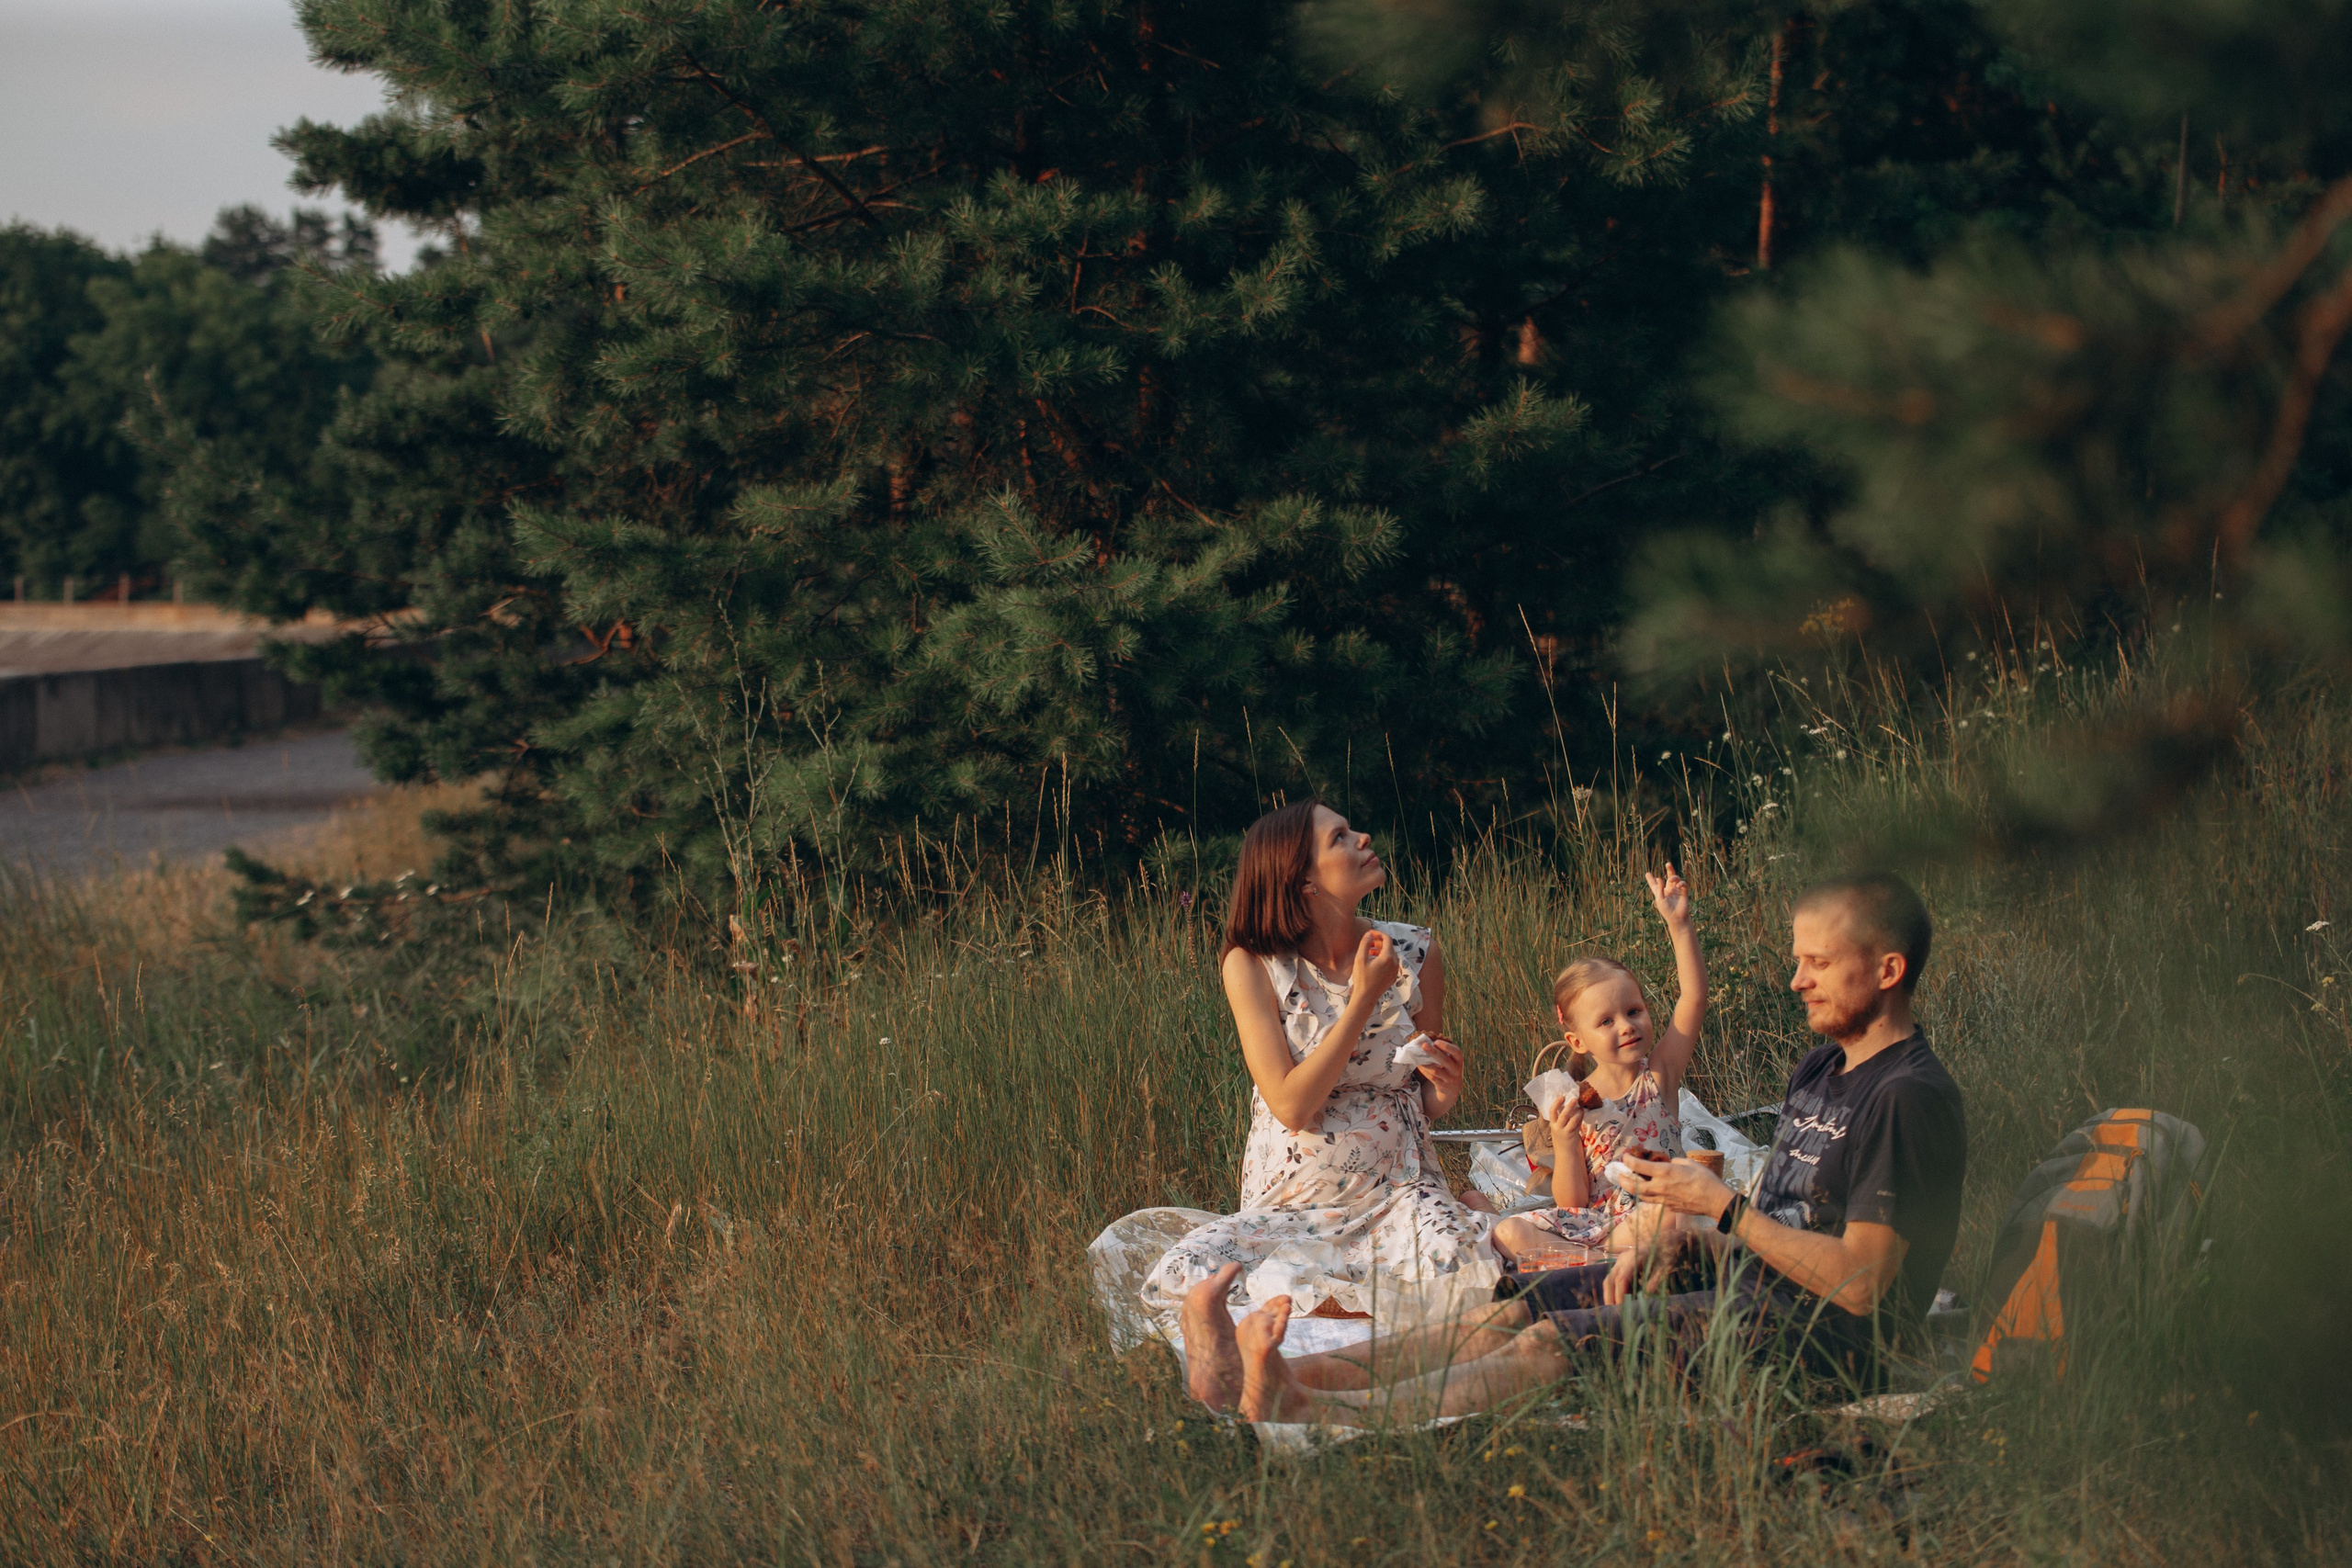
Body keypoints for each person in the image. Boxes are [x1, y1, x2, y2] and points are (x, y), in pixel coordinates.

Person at [1184, 870, 1968, 1426]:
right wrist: (1680, 1246)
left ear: (1889, 969)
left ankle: (1313, 1408)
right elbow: (1787, 1212)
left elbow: (1863, 1285)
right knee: (1517, 1308)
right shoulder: (1825, 1063)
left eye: (1819, 963)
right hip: (1754, 1278)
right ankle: (1274, 1376)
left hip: (1823, 1338)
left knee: (1553, 1343)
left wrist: (1721, 1210)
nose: (1796, 979)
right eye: (1798, 959)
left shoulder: (1907, 1098)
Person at [1141, 800, 1500, 1407]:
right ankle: (1230, 1353)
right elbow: (1290, 1104)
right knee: (1194, 1263)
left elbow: (1424, 1096)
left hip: (1399, 1190)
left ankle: (1296, 1370)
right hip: (1297, 1199)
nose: (1363, 837)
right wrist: (1362, 999)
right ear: (1304, 881)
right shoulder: (1253, 964)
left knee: (1462, 1261)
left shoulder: (1416, 952)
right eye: (1340, 837)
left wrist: (1446, 1087)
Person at [1491, 864, 1709, 1258]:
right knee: (1508, 1232)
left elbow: (1692, 998)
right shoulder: (1573, 1102)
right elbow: (1572, 1201)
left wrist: (1680, 925)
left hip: (1654, 1212)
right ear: (1578, 1040)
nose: (1626, 1026)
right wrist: (1564, 1138)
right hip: (1596, 1226)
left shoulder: (1658, 1075)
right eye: (1607, 1021)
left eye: (1634, 1011)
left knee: (1667, 1216)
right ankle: (1594, 1265)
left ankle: (1586, 1267)